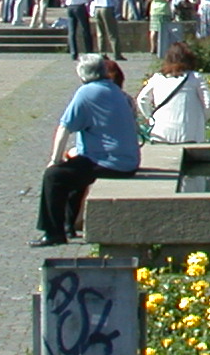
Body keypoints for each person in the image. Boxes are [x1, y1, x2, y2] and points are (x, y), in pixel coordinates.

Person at [34, 55, 141, 247]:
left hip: (109, 162)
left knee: (54, 176)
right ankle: (68, 225)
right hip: (127, 160)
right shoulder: (115, 90)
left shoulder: (86, 92)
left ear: (82, 74)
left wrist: (55, 159)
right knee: (76, 170)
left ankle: (53, 232)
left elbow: (64, 127)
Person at [136, 42, 210, 144]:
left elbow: (142, 99)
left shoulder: (158, 78)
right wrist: (200, 120)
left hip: (161, 134)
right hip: (189, 134)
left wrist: (150, 118)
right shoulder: (195, 77)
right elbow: (209, 103)